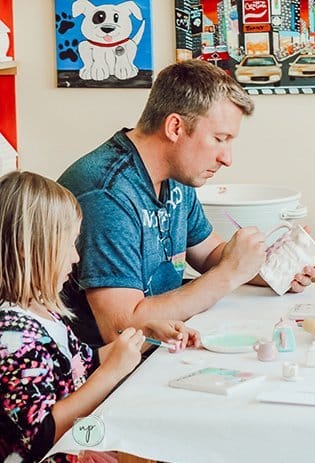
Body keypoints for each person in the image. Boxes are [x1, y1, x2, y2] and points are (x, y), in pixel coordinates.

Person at [59, 59, 315, 346]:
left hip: (166, 346)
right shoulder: (107, 195)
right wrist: (229, 273)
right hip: (108, 369)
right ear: (175, 127)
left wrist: (272, 267)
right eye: (219, 139)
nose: (227, 158)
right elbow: (122, 328)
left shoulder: (175, 175)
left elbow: (209, 254)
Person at [0, 171, 200, 463]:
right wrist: (112, 373)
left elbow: (82, 364)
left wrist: (143, 336)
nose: (76, 258)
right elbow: (40, 438)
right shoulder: (12, 337)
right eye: (68, 245)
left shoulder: (44, 312)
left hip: (76, 446)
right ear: (26, 249)